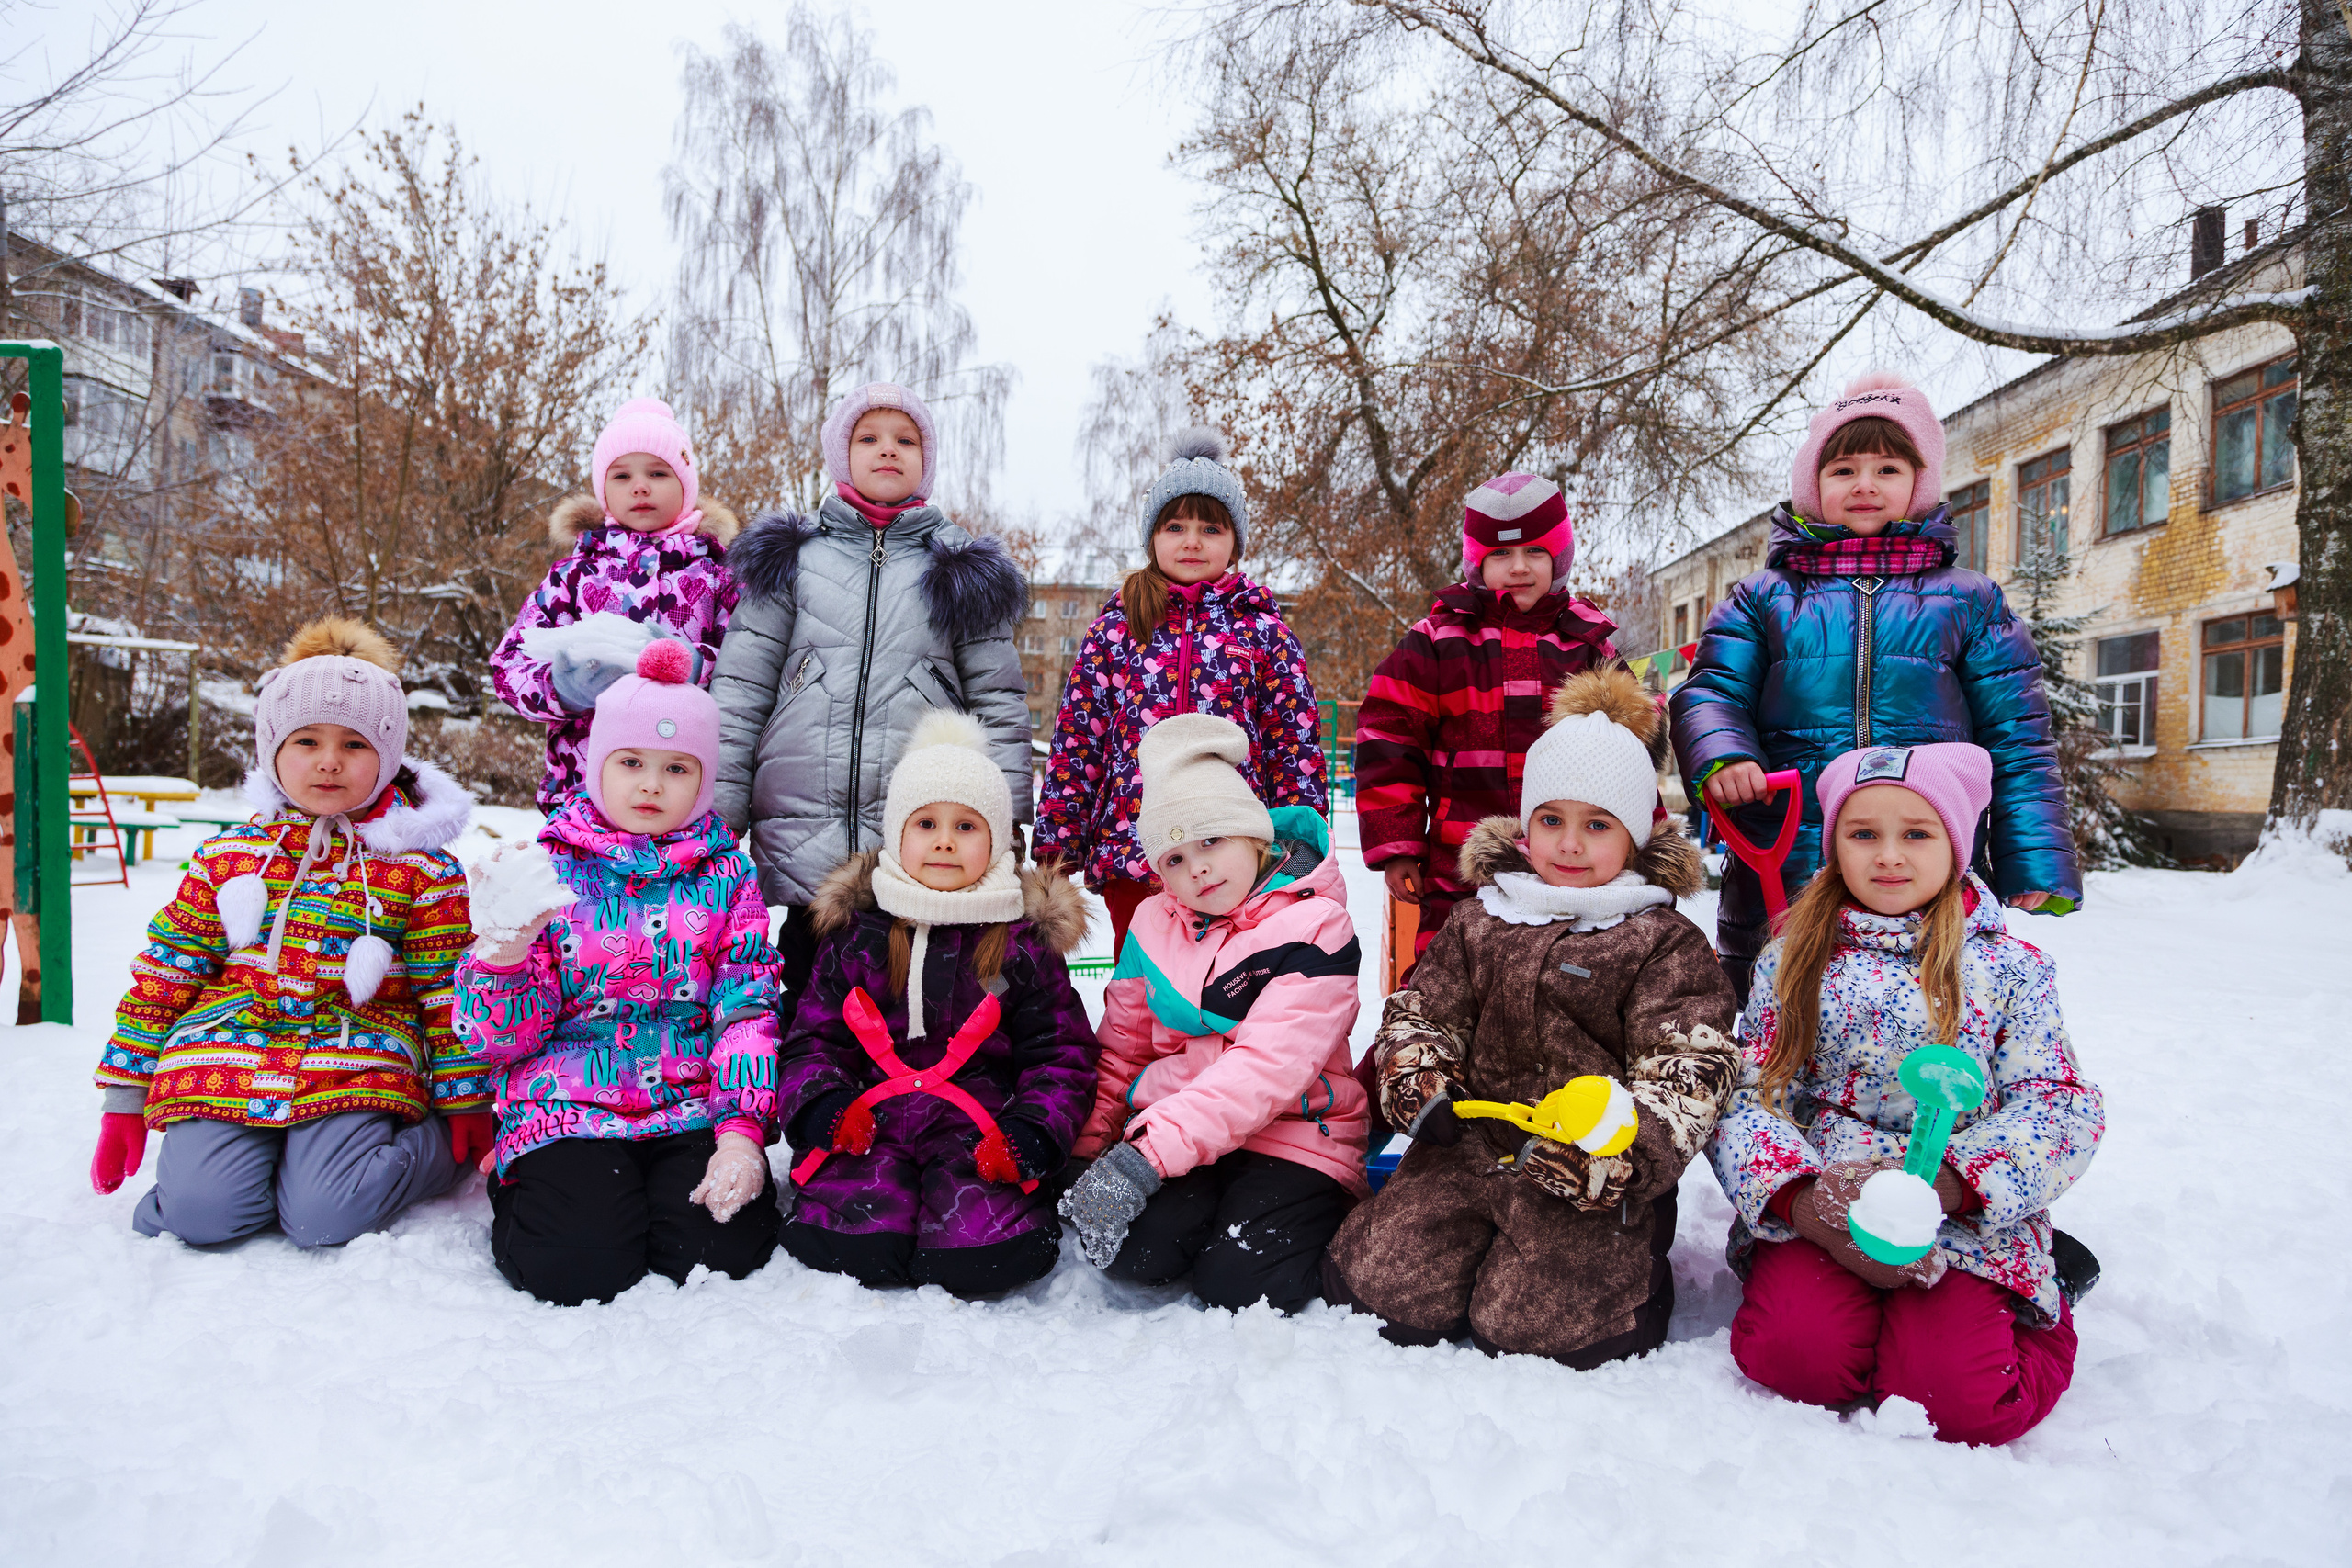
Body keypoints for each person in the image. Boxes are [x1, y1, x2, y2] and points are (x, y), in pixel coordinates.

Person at [1325, 668, 1739, 1367]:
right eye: (1552, 820)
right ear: (1525, 825)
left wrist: (1619, 1154)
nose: (1569, 844)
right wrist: (1418, 1083)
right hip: (1468, 1146)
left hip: (1583, 1169)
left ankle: (1639, 1280)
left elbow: (1689, 1067)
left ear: (1635, 837)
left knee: (1536, 1324)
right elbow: (1421, 1011)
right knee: (1383, 1285)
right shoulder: (1484, 915)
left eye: (1597, 825)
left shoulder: (1660, 940)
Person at [1706, 742, 2102, 1444]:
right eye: (1863, 834)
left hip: (1960, 1211)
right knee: (1792, 1357)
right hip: (1828, 1201)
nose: (1889, 855)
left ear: (1957, 841)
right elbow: (1747, 1090)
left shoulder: (2009, 970)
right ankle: (1860, 1310)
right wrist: (1801, 1197)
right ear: (1835, 846)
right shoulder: (1793, 956)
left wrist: (1951, 1185)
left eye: (1916, 833)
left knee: (1958, 1401)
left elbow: (2059, 1104)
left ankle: (2049, 1290)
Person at [1670, 374, 2079, 1004]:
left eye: (1888, 467)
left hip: (1923, 861)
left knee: (1920, 1009)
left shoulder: (1969, 600)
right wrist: (1726, 754)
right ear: (1814, 485)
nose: (1864, 484)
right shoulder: (1763, 599)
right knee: (1777, 1010)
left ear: (1919, 483)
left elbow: (2018, 736)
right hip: (1789, 856)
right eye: (1843, 469)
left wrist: (2033, 857)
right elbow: (1710, 692)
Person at [89, 619, 491, 1245]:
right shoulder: (231, 856)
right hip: (228, 1053)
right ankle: (243, 1173)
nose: (329, 761)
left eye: (355, 745)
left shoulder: (420, 868)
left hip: (355, 1056)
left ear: (387, 756)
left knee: (324, 1216)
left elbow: (445, 988)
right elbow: (167, 970)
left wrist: (464, 1099)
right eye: (306, 740)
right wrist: (125, 1095)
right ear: (272, 748)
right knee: (200, 1214)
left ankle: (427, 1152)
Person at [454, 641, 785, 1306]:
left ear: (704, 778)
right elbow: (500, 1041)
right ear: (597, 762)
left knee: (718, 1253)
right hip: (566, 1105)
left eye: (676, 767)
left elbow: (746, 1008)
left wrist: (741, 1134)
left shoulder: (727, 874)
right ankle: (530, 1183)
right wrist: (504, 956)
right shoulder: (544, 867)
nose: (650, 784)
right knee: (576, 1263)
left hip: (689, 1106)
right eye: (630, 761)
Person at [713, 382, 1030, 996]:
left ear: (926, 460)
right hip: (803, 832)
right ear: (842, 455)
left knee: (908, 1000)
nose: (888, 450)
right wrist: (719, 817)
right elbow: (741, 689)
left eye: (905, 439)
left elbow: (999, 700)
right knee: (808, 1002)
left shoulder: (962, 568)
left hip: (915, 833)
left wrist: (1008, 819)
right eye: (869, 438)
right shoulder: (791, 558)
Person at [775, 711, 1096, 1297]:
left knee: (986, 1255)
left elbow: (1061, 1055)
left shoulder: (1020, 943)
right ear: (898, 834)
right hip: (867, 1127)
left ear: (998, 839)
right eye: (926, 823)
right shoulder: (858, 934)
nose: (945, 840)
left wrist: (1031, 1132)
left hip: (980, 1135)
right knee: (856, 1244)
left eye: (967, 827)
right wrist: (826, 1105)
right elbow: (814, 1038)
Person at [1058, 714, 1366, 1314]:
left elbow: (1265, 1068)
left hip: (1297, 1132)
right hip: (1184, 1132)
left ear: (1252, 834)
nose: (1196, 867)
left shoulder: (1317, 927)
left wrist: (1143, 1158)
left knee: (1240, 1281)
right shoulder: (1152, 924)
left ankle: (1343, 1225)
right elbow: (1125, 1047)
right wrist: (1085, 1153)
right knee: (1134, 1253)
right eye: (1173, 857)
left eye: (1211, 840)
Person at [1035, 430, 1325, 955]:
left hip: (1237, 848)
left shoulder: (1262, 632)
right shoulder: (1117, 629)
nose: (1192, 541)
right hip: (1137, 850)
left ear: (1235, 542)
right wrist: (1059, 839)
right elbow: (1080, 737)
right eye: (1176, 526)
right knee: (1145, 989)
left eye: (1210, 527)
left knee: (1233, 984)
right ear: (1153, 540)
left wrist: (1302, 837)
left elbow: (1293, 742)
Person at [1354, 472, 1617, 963]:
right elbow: (1388, 737)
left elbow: (1628, 756)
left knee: (1567, 986)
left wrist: (1641, 847)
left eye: (1535, 552)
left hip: (1570, 869)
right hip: (1460, 871)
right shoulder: (1437, 642)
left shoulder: (1587, 646)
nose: (1518, 567)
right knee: (1448, 979)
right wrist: (1398, 845)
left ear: (1558, 559)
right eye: (1500, 554)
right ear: (1477, 563)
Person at [492, 399, 741, 812]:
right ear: (603, 489)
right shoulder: (573, 575)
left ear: (686, 486)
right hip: (582, 794)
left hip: (681, 796)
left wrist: (696, 667)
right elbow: (508, 666)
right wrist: (564, 688)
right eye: (622, 475)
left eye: (658, 473)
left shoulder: (718, 576)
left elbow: (749, 671)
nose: (640, 486)